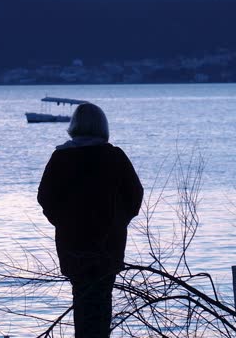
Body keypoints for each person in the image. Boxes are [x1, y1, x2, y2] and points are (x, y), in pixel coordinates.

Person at [37, 103, 144, 338]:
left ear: (74, 126)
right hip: (109, 242)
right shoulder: (114, 156)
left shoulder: (61, 157)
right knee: (102, 298)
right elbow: (135, 194)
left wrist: (64, 223)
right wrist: (118, 221)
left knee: (82, 298)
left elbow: (45, 198)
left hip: (72, 243)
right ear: (102, 126)